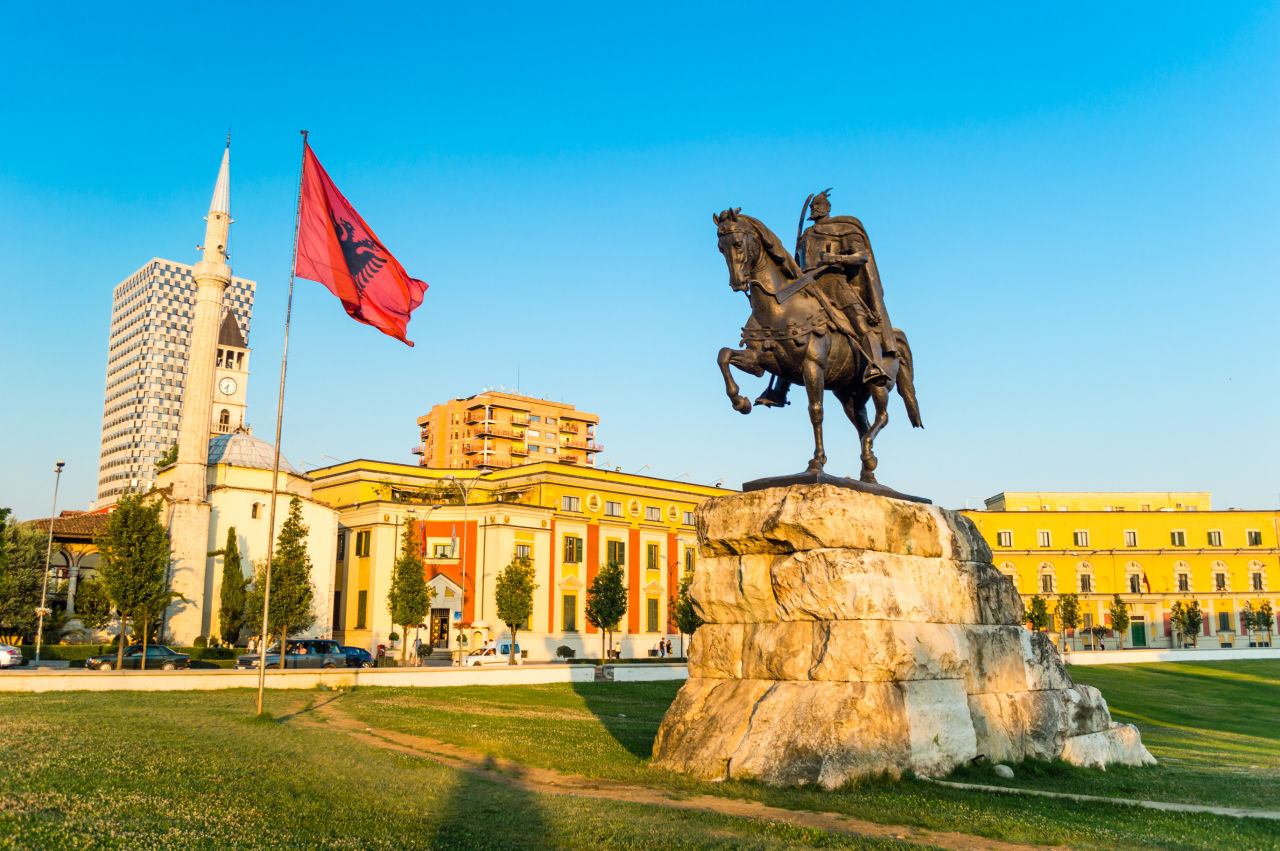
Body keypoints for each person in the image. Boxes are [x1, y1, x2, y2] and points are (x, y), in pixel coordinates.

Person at [755, 188, 898, 408]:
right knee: (790, 328)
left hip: (834, 283)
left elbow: (862, 256)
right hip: (806, 285)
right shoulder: (806, 236)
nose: (815, 209)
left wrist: (837, 257)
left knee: (860, 324)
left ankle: (875, 367)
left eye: (819, 206)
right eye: (813, 207)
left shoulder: (843, 229)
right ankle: (779, 390)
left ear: (827, 208)